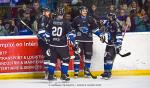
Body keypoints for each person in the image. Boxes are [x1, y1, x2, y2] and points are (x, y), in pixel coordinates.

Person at [38, 7, 75, 81]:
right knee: (65, 60)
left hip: (52, 45)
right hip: (62, 46)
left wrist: (47, 39)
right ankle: (63, 75)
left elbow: (47, 34)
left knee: (52, 61)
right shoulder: (66, 22)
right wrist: (74, 43)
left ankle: (50, 76)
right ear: (63, 14)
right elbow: (70, 35)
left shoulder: (51, 21)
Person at [71, 6, 103, 78]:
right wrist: (73, 40)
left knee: (88, 56)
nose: (85, 12)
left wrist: (100, 35)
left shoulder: (90, 19)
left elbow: (95, 30)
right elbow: (72, 30)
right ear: (80, 11)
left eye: (86, 10)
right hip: (79, 41)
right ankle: (76, 72)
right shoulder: (76, 19)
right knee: (77, 56)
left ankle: (86, 72)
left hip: (88, 41)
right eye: (83, 10)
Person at [100, 13, 123, 79]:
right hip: (109, 44)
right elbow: (102, 21)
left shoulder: (116, 24)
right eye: (108, 17)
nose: (109, 18)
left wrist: (118, 46)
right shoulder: (108, 23)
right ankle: (105, 72)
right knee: (105, 58)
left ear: (113, 17)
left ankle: (108, 73)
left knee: (109, 58)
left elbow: (119, 35)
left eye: (110, 17)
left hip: (114, 44)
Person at [37, 7, 51, 79]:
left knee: (48, 56)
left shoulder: (48, 18)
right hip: (43, 41)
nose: (48, 13)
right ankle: (47, 73)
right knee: (47, 56)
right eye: (47, 11)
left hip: (46, 40)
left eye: (48, 11)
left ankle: (48, 73)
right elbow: (41, 31)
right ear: (44, 12)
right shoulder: (43, 18)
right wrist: (45, 39)